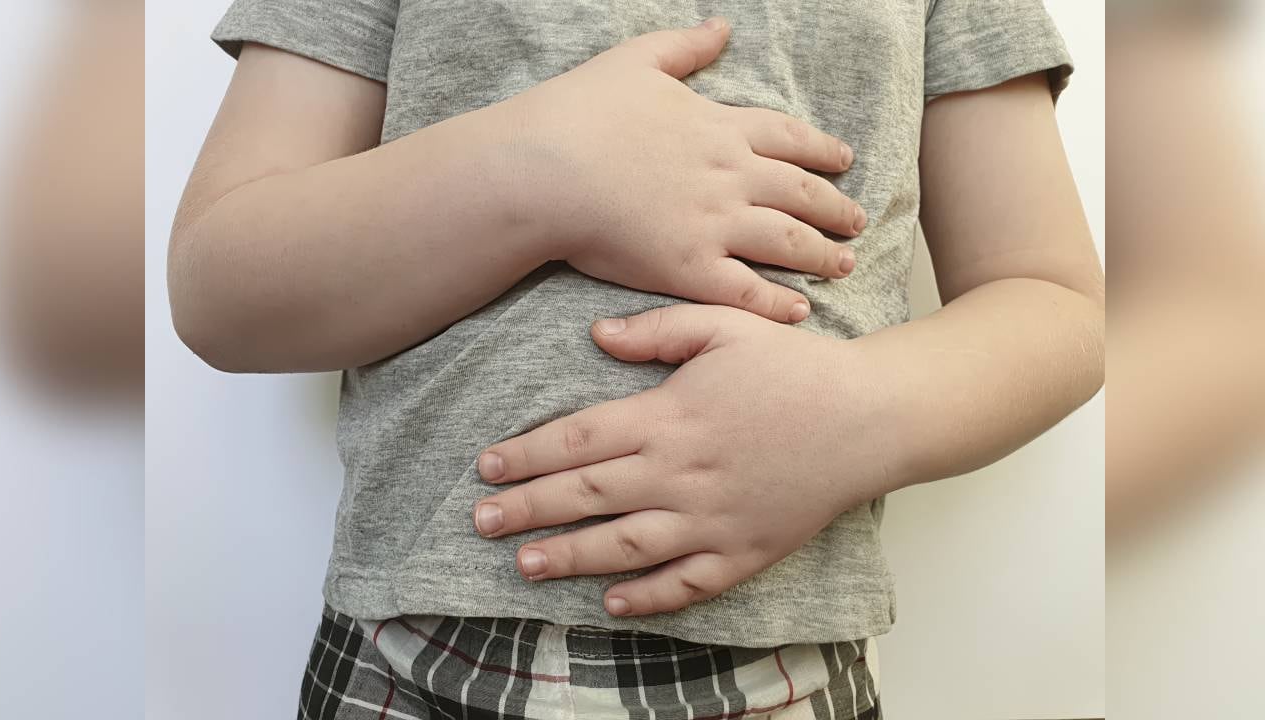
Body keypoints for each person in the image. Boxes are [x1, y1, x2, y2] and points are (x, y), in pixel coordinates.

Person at [168, 1, 1103, 717]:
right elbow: (220, 287)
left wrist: (859, 409)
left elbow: (1055, 303)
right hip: (400, 662)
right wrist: (543, 173)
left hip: (781, 675)